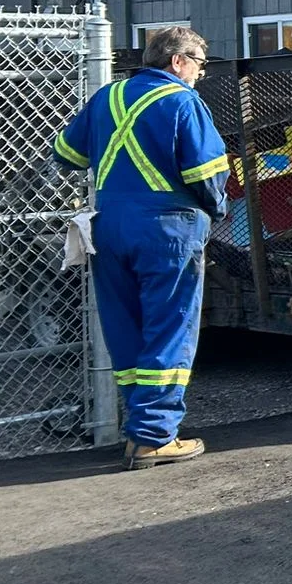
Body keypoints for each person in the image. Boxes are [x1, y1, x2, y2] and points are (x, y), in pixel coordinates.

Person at [54, 26, 230, 470]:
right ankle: (154, 438)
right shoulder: (183, 101)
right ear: (178, 62)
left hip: (107, 226)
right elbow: (208, 173)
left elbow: (66, 155)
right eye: (199, 65)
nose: (199, 74)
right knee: (170, 329)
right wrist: (218, 210)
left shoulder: (106, 97)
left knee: (125, 328)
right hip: (167, 228)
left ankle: (139, 431)